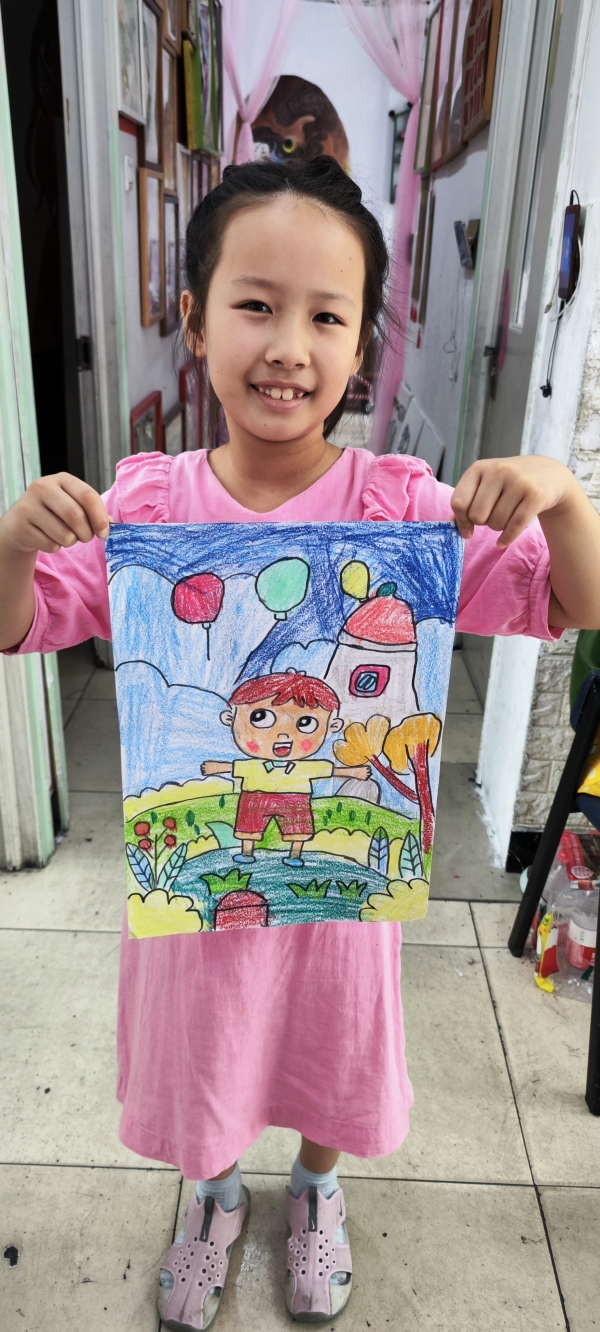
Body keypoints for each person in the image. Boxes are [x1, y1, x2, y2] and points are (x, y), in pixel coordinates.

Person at [1, 156, 600, 1330]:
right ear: (195, 320)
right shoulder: (150, 508)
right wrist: (16, 543)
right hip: (199, 904)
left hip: (338, 898)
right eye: (255, 304)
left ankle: (318, 1189)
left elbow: (572, 601)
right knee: (209, 1051)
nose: (288, 346)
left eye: (326, 317)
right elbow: (18, 622)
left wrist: (565, 495)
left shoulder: (402, 510)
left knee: (331, 1042)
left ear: (362, 342)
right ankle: (215, 1194)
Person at [202, 669, 369, 866]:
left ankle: (294, 855)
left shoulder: (305, 768)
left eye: (305, 723)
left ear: (332, 726)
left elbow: (329, 771)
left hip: (295, 798)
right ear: (230, 719)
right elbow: (234, 768)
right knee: (249, 824)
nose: (283, 736)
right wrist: (216, 768)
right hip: (255, 796)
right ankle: (246, 853)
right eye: (260, 717)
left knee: (298, 827)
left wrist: (354, 772)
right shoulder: (253, 766)